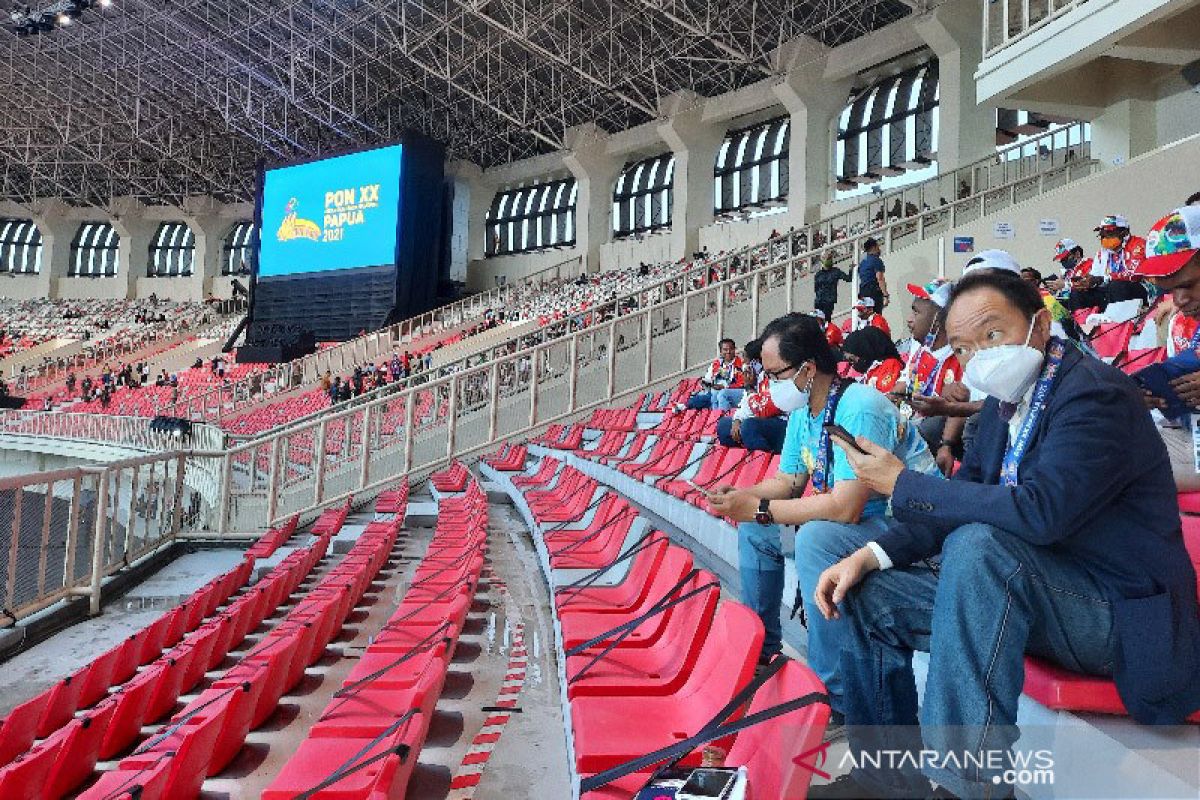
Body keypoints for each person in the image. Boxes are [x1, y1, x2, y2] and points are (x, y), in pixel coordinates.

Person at [806, 269, 1200, 799]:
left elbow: (1042, 513)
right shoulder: (1000, 406)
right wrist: (873, 556)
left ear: (1039, 326)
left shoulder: (1096, 395)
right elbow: (960, 497)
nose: (980, 357)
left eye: (993, 335)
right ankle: (887, 777)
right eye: (964, 349)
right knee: (868, 594)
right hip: (1038, 592)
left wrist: (903, 482)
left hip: (1113, 611)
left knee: (980, 547)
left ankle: (970, 786)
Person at [706, 313, 939, 677]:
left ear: (807, 369)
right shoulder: (804, 409)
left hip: (907, 525)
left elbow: (846, 509)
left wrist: (761, 507)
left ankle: (834, 688)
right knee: (755, 528)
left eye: (776, 375)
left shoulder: (858, 407)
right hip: (864, 519)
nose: (769, 385)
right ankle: (762, 654)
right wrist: (741, 497)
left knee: (815, 537)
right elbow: (789, 481)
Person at [1133, 206, 1200, 491]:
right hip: (1190, 433)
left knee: (1119, 472)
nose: (1180, 301)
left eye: (1187, 285)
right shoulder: (1187, 321)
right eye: (1171, 290)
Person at [716, 338, 788, 454]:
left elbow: (763, 410)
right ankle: (742, 453)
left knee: (749, 425)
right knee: (724, 425)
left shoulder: (777, 377)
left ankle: (765, 458)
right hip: (761, 419)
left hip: (781, 423)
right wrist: (737, 420)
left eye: (747, 361)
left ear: (757, 362)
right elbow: (745, 404)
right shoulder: (758, 378)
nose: (745, 365)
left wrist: (750, 388)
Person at [686, 339, 745, 410]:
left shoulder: (741, 364)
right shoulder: (716, 364)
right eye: (725, 350)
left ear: (735, 349)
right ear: (720, 352)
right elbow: (707, 380)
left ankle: (720, 416)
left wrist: (724, 386)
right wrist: (706, 384)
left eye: (731, 349)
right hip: (713, 392)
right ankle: (682, 407)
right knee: (694, 401)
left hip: (731, 392)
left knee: (720, 394)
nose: (728, 352)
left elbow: (742, 384)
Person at [841, 327, 904, 393]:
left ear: (865, 351)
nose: (853, 365)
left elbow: (883, 396)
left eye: (852, 359)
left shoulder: (891, 365)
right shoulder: (871, 369)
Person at [814, 251, 852, 322]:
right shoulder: (818, 274)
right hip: (819, 301)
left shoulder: (835, 271)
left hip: (829, 301)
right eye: (827, 258)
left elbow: (848, 278)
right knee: (818, 321)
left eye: (830, 258)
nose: (829, 260)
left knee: (827, 321)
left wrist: (851, 269)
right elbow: (816, 289)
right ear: (822, 260)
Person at [856, 238, 889, 309]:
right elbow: (880, 278)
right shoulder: (876, 260)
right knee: (876, 316)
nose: (879, 249)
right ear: (874, 247)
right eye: (878, 247)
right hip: (873, 292)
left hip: (863, 292)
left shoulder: (863, 263)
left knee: (867, 316)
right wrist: (885, 295)